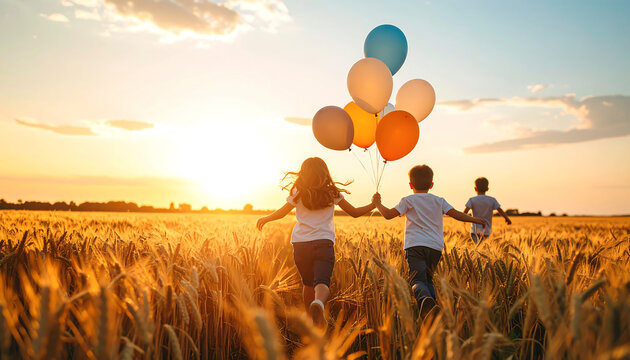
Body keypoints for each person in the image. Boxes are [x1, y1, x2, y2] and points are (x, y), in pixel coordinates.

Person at [256, 157, 375, 326]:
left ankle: (311, 322)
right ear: (324, 172)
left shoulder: (298, 191)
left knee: (308, 284)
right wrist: (373, 205)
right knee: (322, 281)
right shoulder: (332, 192)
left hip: (300, 245)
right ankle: (318, 303)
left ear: (303, 173)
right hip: (323, 243)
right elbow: (354, 212)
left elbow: (282, 212)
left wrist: (266, 218)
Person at [372, 164, 486, 314]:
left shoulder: (408, 200)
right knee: (428, 279)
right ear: (431, 185)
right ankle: (433, 308)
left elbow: (387, 215)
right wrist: (475, 220)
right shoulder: (439, 200)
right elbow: (456, 214)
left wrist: (378, 203)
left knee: (417, 281)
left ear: (410, 185)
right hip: (435, 247)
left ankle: (425, 301)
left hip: (415, 246)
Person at [463, 177, 512, 243]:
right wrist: (507, 219)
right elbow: (500, 210)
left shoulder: (472, 200)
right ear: (487, 189)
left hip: (474, 230)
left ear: (475, 188)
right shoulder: (492, 200)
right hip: (486, 230)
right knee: (483, 247)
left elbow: (464, 213)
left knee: (477, 247)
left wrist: (469, 216)